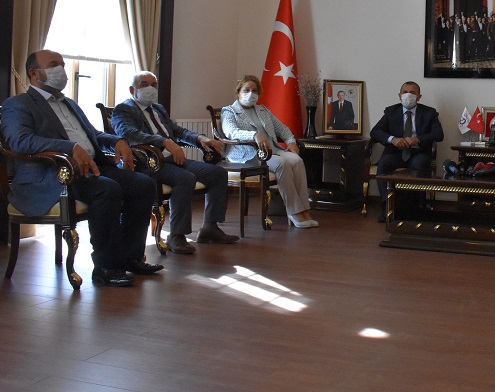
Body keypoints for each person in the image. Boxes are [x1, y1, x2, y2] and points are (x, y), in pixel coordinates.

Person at [1, 50, 158, 287]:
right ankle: (106, 267)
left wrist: (117, 140)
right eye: (54, 65)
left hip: (92, 167)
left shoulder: (69, 104)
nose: (62, 70)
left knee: (143, 184)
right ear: (34, 73)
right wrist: (69, 147)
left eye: (62, 64)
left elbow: (94, 135)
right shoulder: (18, 104)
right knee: (107, 189)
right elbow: (20, 141)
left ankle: (130, 258)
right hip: (56, 175)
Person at [111, 71, 237, 254]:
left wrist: (200, 138)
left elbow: (177, 131)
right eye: (144, 84)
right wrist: (163, 141)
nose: (150, 88)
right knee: (185, 178)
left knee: (217, 173)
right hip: (148, 162)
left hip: (171, 159)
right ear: (132, 89)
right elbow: (128, 134)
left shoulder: (158, 109)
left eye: (154, 85)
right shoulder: (123, 109)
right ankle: (176, 236)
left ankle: (210, 227)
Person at [220, 75, 318, 228]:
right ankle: (294, 212)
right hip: (248, 154)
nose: (250, 93)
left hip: (272, 150)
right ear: (238, 92)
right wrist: (254, 135)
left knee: (297, 161)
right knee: (281, 164)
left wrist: (291, 142)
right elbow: (231, 132)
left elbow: (282, 129)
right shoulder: (229, 111)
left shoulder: (262, 110)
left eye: (254, 91)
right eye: (246, 90)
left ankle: (305, 210)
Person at [370, 81, 444, 223]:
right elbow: (375, 132)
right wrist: (392, 139)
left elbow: (439, 134)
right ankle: (387, 206)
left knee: (420, 164)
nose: (408, 95)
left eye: (412, 93)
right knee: (384, 163)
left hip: (418, 153)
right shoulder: (391, 112)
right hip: (395, 153)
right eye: (405, 92)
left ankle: (414, 208)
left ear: (419, 97)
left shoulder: (429, 113)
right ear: (399, 95)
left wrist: (418, 139)